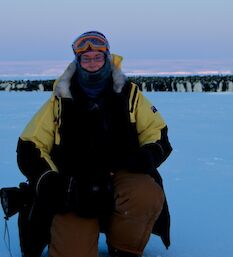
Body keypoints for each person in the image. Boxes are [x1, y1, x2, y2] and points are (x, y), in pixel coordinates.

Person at [16, 31, 172, 257]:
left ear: (107, 57)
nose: (92, 62)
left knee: (144, 194)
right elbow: (30, 144)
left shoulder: (129, 94)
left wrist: (146, 156)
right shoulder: (61, 98)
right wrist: (53, 183)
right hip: (75, 184)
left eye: (97, 56)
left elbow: (156, 132)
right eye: (85, 58)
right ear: (77, 61)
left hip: (120, 172)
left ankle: (124, 248)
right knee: (73, 251)